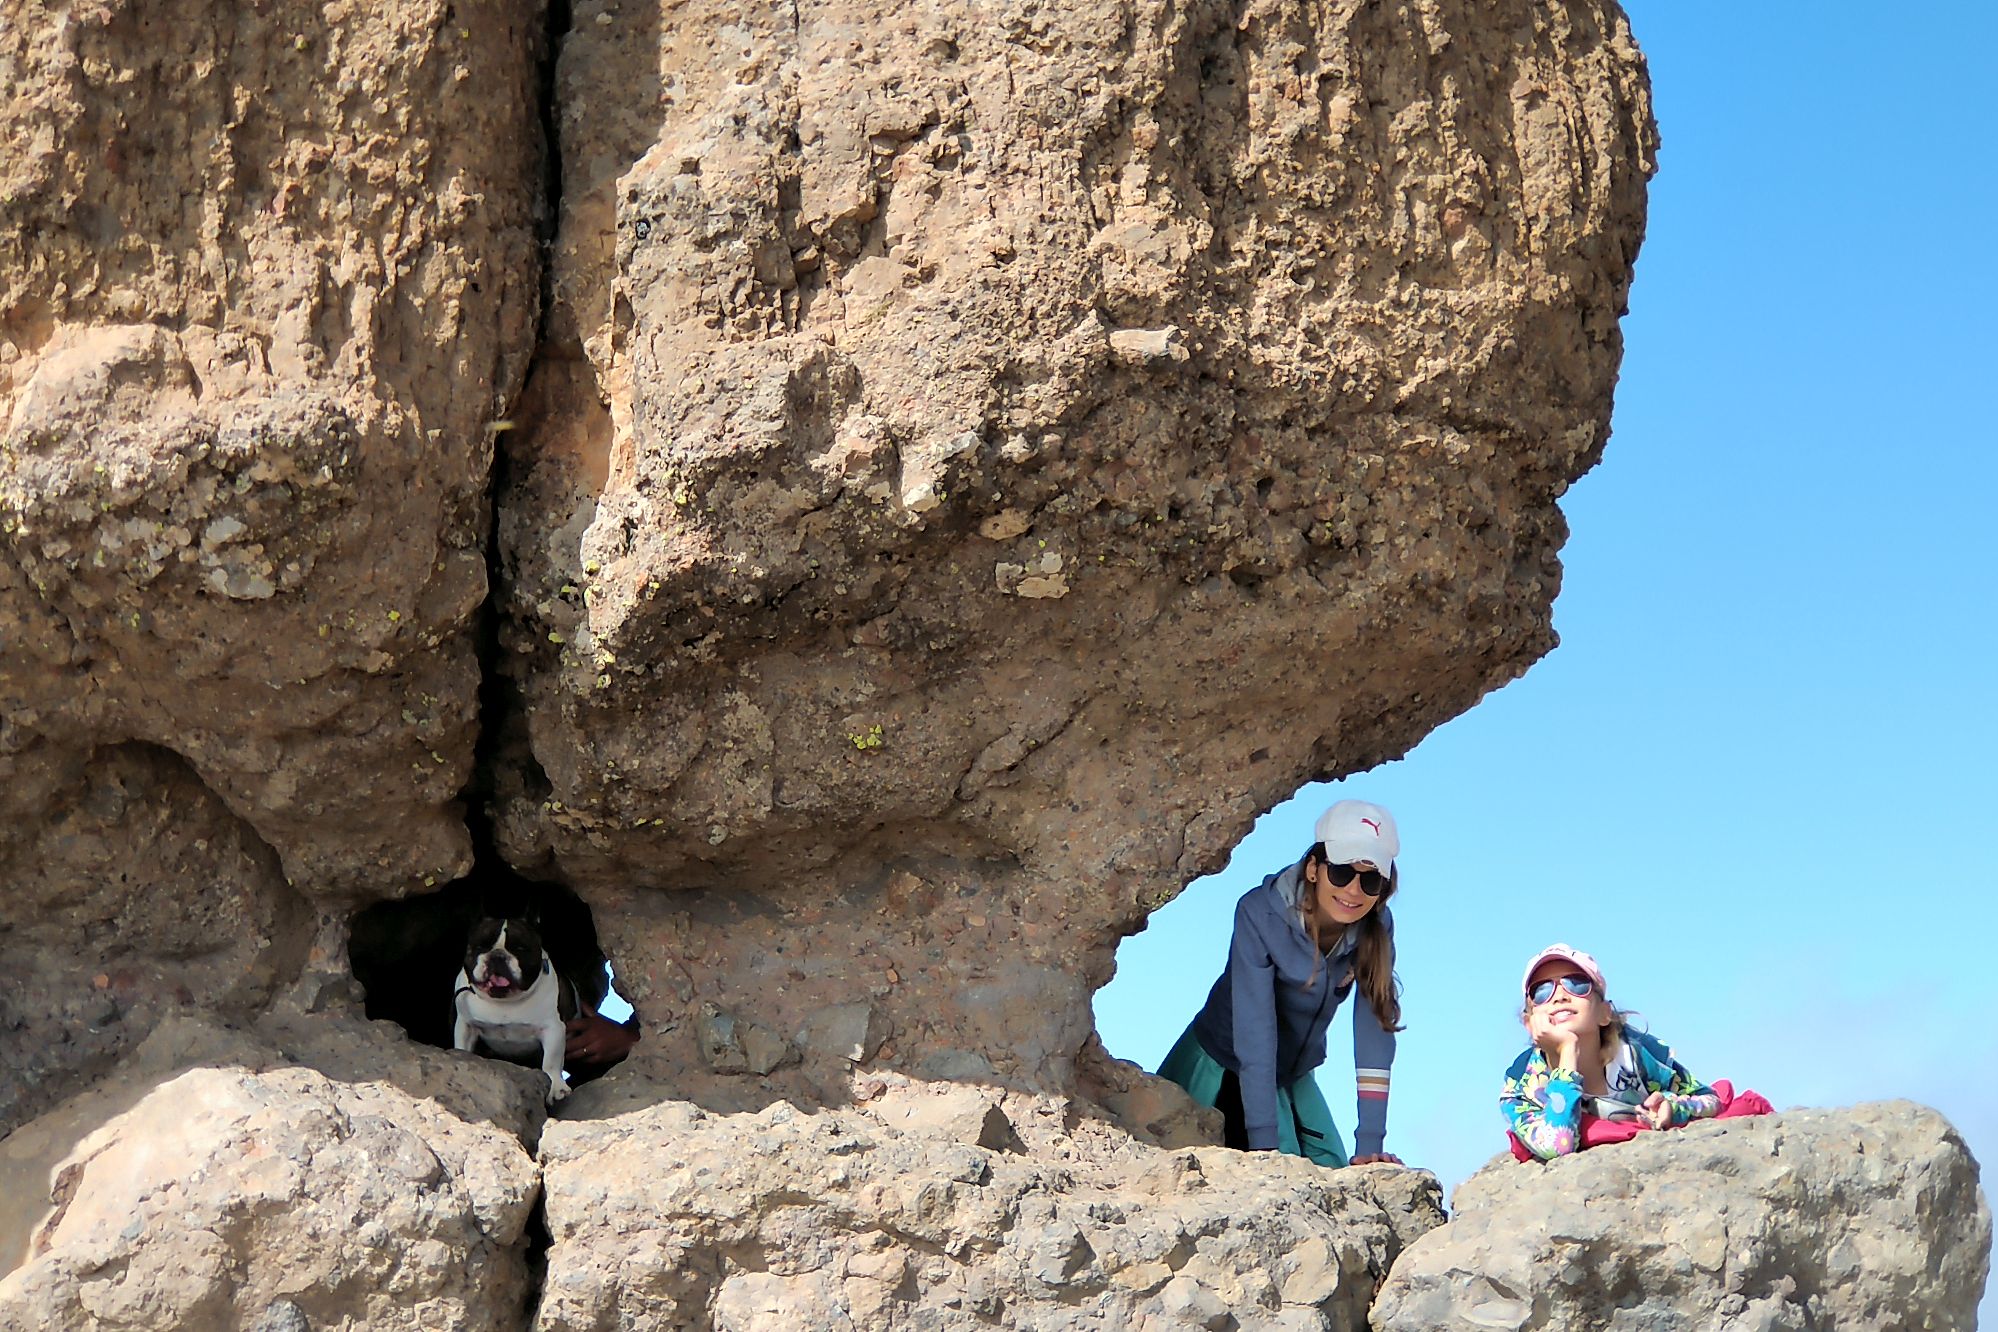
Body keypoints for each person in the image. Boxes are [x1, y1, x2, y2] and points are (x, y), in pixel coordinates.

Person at [1156, 799, 1404, 1166]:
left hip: (1294, 1075)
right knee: (1279, 1172)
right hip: (1227, 1065)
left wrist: (1370, 1146)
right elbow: (1254, 1034)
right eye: (1341, 873)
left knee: (1335, 1170)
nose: (1353, 890)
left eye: (1370, 880)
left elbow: (1374, 1034)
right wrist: (1264, 1146)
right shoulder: (1259, 914)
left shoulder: (1377, 930)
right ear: (1314, 869)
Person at [1502, 944, 1770, 1161]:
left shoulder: (1636, 1054)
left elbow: (1709, 1099)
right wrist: (1567, 1051)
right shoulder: (1521, 1088)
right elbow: (1558, 1145)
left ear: (1605, 1013)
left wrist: (1672, 1107)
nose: (1560, 996)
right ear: (1529, 1022)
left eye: (1577, 984)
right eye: (1542, 991)